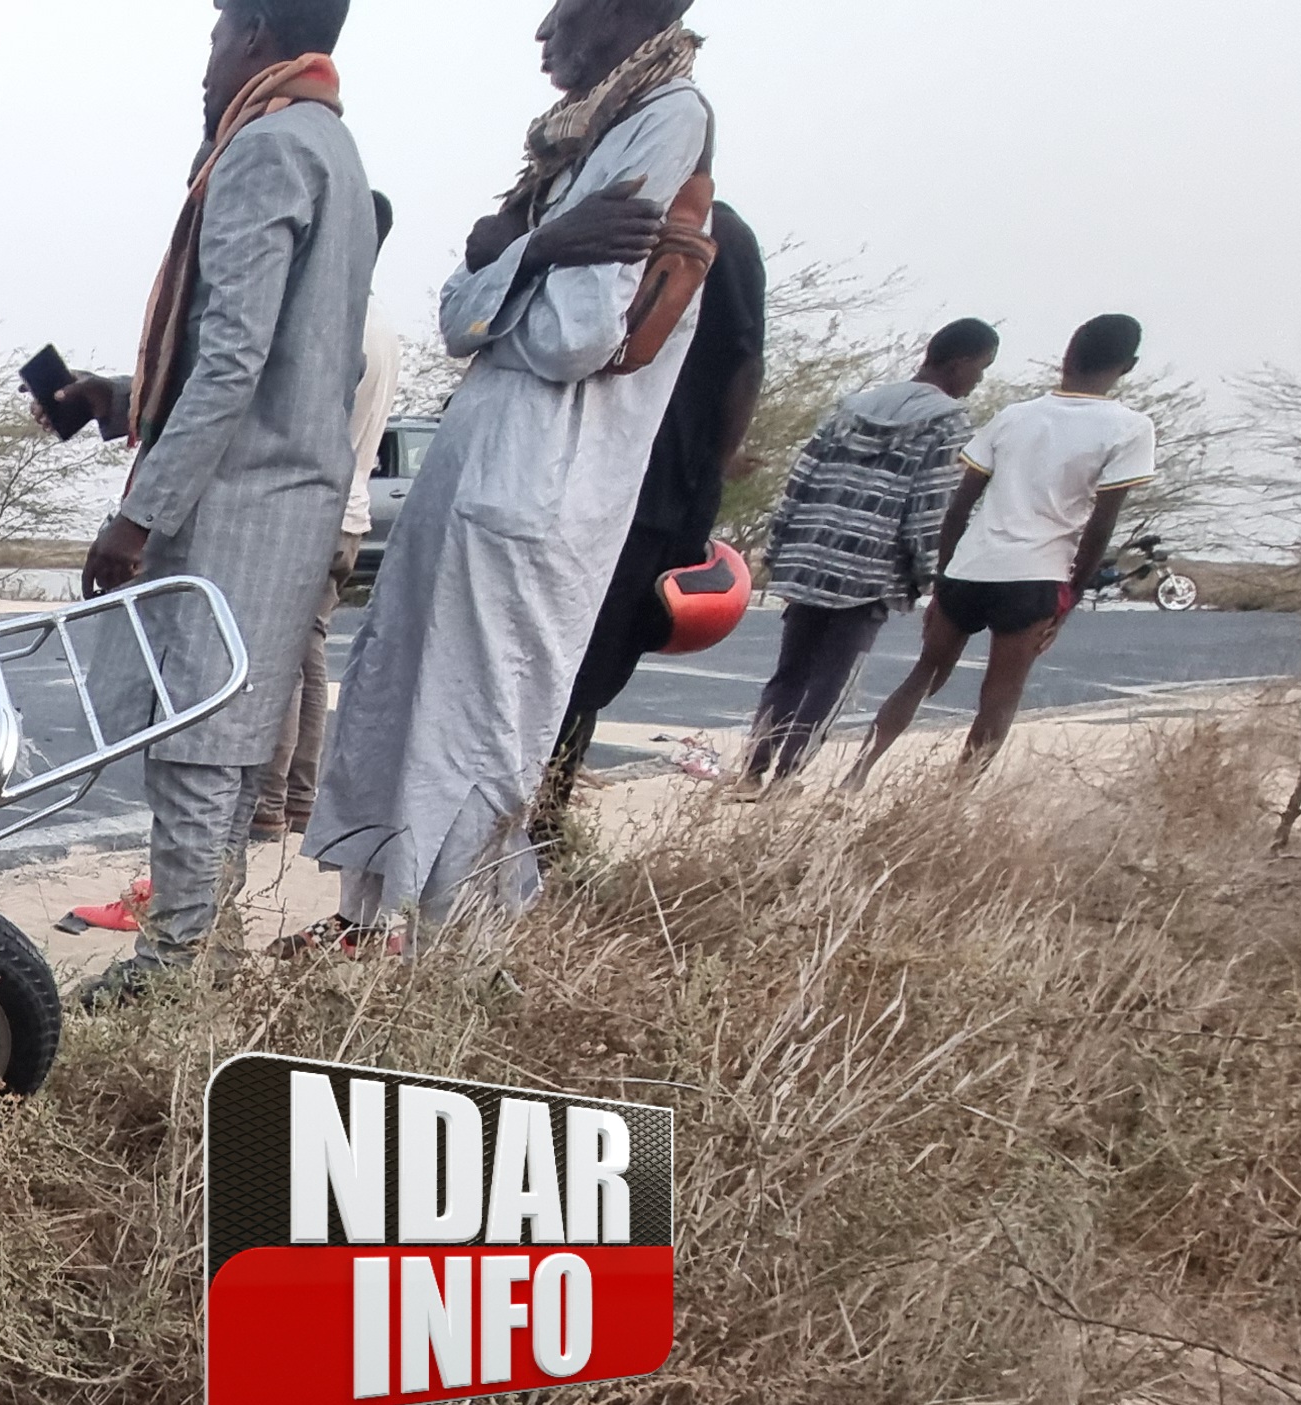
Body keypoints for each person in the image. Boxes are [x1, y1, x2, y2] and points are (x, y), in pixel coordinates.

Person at [302, 0, 711, 945]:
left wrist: (515, 259)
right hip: (485, 466)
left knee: (480, 730)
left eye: (561, 11)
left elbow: (575, 337)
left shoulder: (668, 116)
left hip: (536, 482)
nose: (543, 35)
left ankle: (463, 966)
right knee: (406, 705)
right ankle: (387, 940)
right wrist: (538, 248)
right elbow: (457, 312)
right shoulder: (574, 150)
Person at [38, 0, 372, 995]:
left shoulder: (265, 151)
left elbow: (231, 361)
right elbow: (281, 357)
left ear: (260, 32)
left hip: (235, 504)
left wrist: (136, 516)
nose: (207, 59)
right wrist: (127, 397)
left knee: (192, 743)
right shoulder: (334, 151)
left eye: (219, 30)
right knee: (228, 746)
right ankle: (201, 953)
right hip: (291, 505)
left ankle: (171, 965)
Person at [846, 315, 1156, 787]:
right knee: (1000, 694)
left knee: (924, 674)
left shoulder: (1015, 416)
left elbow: (959, 506)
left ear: (1067, 355)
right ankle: (952, 799)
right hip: (1035, 576)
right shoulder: (1129, 427)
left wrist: (943, 580)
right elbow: (1100, 527)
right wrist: (1067, 601)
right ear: (1128, 366)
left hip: (971, 567)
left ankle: (857, 773)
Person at [536, 197, 767, 830]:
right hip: (563, 480)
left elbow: (745, 363)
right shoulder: (591, 205)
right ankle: (521, 823)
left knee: (581, 678)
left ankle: (537, 829)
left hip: (649, 492)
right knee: (545, 667)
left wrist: (706, 484)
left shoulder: (718, 231)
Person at [741, 318, 998, 785]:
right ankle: (787, 778)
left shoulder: (849, 409)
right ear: (959, 364)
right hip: (871, 570)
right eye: (980, 370)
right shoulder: (949, 423)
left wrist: (780, 549)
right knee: (832, 680)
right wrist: (925, 574)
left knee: (790, 670)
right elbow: (928, 508)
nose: (977, 381)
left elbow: (800, 481)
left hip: (809, 555)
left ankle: (752, 770)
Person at [255, 189, 399, 844]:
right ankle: (300, 797)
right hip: (354, 511)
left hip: (316, 507)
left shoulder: (337, 323)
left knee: (279, 658)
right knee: (308, 652)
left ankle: (267, 798)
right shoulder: (383, 324)